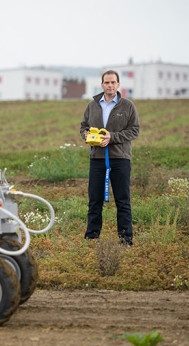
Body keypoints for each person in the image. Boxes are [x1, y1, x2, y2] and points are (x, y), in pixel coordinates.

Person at [80, 70, 140, 246]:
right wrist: (88, 137)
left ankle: (126, 239)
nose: (110, 85)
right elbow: (83, 127)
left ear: (119, 85)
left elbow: (134, 130)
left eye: (113, 82)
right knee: (94, 200)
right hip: (97, 159)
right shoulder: (92, 106)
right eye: (107, 82)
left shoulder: (128, 106)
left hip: (120, 159)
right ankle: (91, 237)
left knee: (122, 200)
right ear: (102, 85)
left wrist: (112, 137)